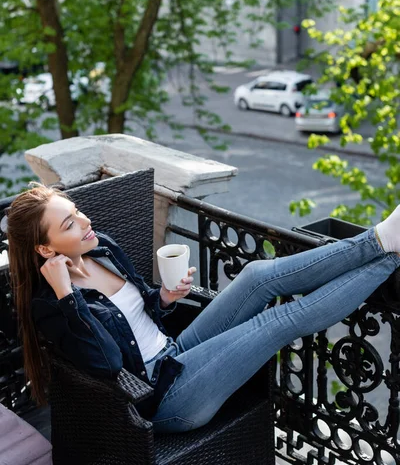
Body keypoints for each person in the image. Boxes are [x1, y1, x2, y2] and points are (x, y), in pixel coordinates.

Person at [5, 183, 400, 433]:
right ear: (45, 249)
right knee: (276, 321)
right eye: (69, 224)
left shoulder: (100, 247)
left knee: (257, 276)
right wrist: (68, 297)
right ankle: (388, 252)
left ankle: (380, 241)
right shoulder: (52, 307)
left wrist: (164, 299)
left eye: (75, 211)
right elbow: (109, 365)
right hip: (165, 399)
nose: (84, 221)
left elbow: (142, 312)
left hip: (175, 352)